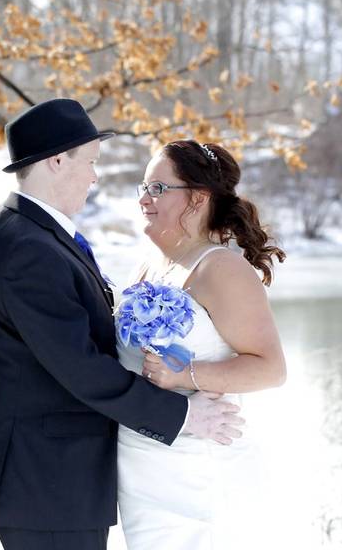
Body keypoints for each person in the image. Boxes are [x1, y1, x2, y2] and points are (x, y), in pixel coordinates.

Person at [0, 100, 246, 550]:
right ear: (57, 161)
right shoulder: (27, 247)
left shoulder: (36, 235)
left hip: (59, 478)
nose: (95, 176)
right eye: (91, 163)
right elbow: (79, 366)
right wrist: (183, 416)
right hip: (46, 478)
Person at [115, 139, 288, 550]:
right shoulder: (149, 264)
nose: (143, 198)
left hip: (195, 473)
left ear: (197, 198)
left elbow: (271, 368)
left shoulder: (222, 268)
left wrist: (185, 375)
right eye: (143, 187)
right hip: (140, 465)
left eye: (157, 188)